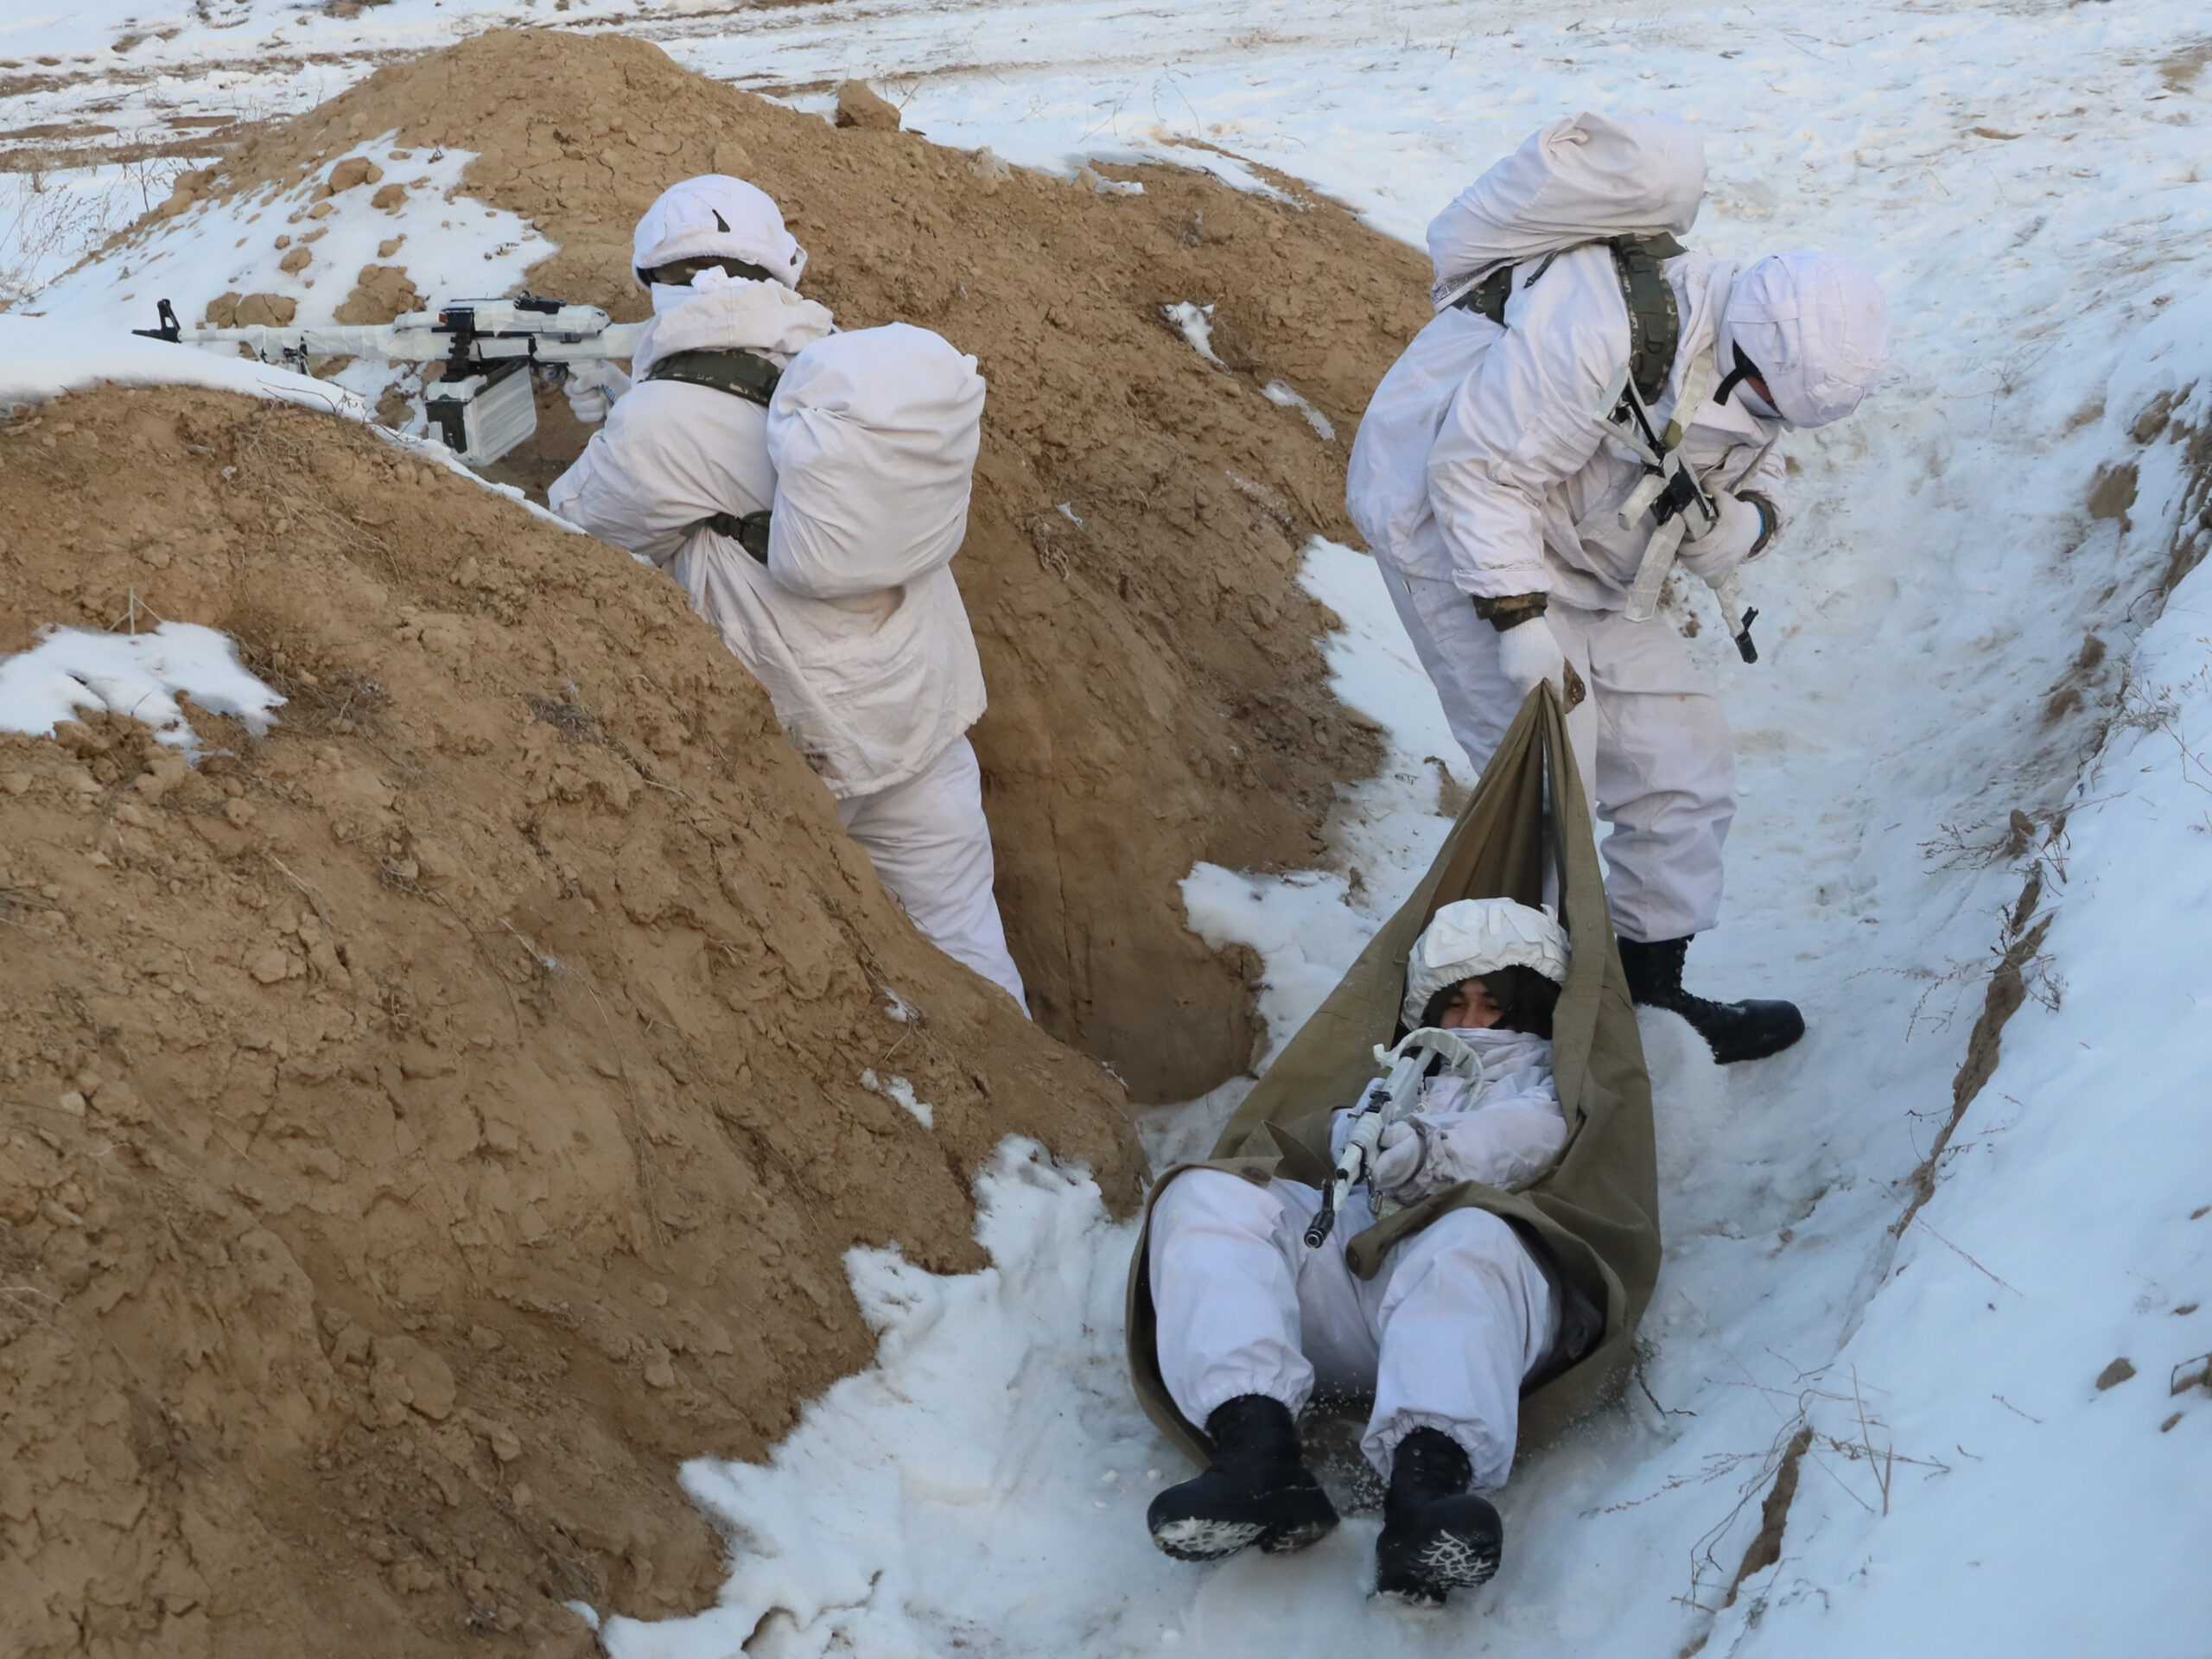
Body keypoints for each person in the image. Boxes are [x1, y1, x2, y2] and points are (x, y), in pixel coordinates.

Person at [1359, 124, 1891, 1063]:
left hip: (1587, 553)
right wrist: (1517, 621)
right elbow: (1477, 474)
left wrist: (1750, 522)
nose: (1770, 418)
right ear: (1744, 348)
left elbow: (1759, 460)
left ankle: (1649, 999)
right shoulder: (1595, 330)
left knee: (1682, 757)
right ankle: (1511, 1025)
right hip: (1449, 532)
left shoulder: (1762, 362)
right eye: (1768, 400)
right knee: (1546, 786)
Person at [549, 176, 1027, 1010]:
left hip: (812, 752)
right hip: (926, 716)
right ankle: (1034, 1085)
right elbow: (733, 442)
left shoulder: (659, 422)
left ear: (651, 281)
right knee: (966, 941)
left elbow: (573, 533)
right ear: (785, 270)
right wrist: (638, 402)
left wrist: (622, 420)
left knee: (837, 989)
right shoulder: (837, 370)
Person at [1144, 898, 1585, 1606]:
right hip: (1366, 1287)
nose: (1470, 1020)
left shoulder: (1547, 1083)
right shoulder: (1404, 1072)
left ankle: (1426, 1493)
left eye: (1492, 1004)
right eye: (1455, 1003)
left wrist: (1426, 1151)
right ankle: (1256, 1453)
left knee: (1470, 1235)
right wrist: (1356, 1128)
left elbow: (1518, 1141)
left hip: (1481, 1312)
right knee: (1209, 1196)